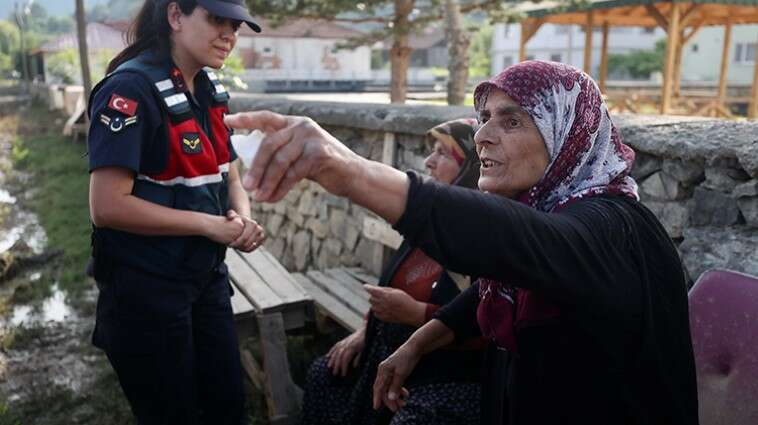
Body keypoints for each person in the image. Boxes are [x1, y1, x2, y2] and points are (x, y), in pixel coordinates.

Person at [224, 60, 699, 425]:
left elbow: (516, 243)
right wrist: (421, 340)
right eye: (485, 118)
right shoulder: (551, 210)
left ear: (567, 133)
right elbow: (500, 283)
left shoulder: (612, 228)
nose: (484, 137)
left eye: (512, 121)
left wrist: (346, 170)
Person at [87, 0, 265, 425]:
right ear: (175, 16)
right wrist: (209, 225)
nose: (229, 34)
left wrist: (239, 216)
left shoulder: (208, 91)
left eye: (235, 24)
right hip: (147, 290)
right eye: (215, 19)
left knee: (228, 406)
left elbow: (228, 173)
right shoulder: (130, 90)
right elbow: (107, 206)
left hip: (203, 280)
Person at [301, 118, 483, 425]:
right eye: (431, 151)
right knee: (326, 374)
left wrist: (417, 314)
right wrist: (363, 332)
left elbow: (486, 325)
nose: (428, 161)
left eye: (442, 153)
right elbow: (394, 282)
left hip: (445, 371)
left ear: (470, 167)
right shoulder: (431, 227)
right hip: (390, 350)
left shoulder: (479, 238)